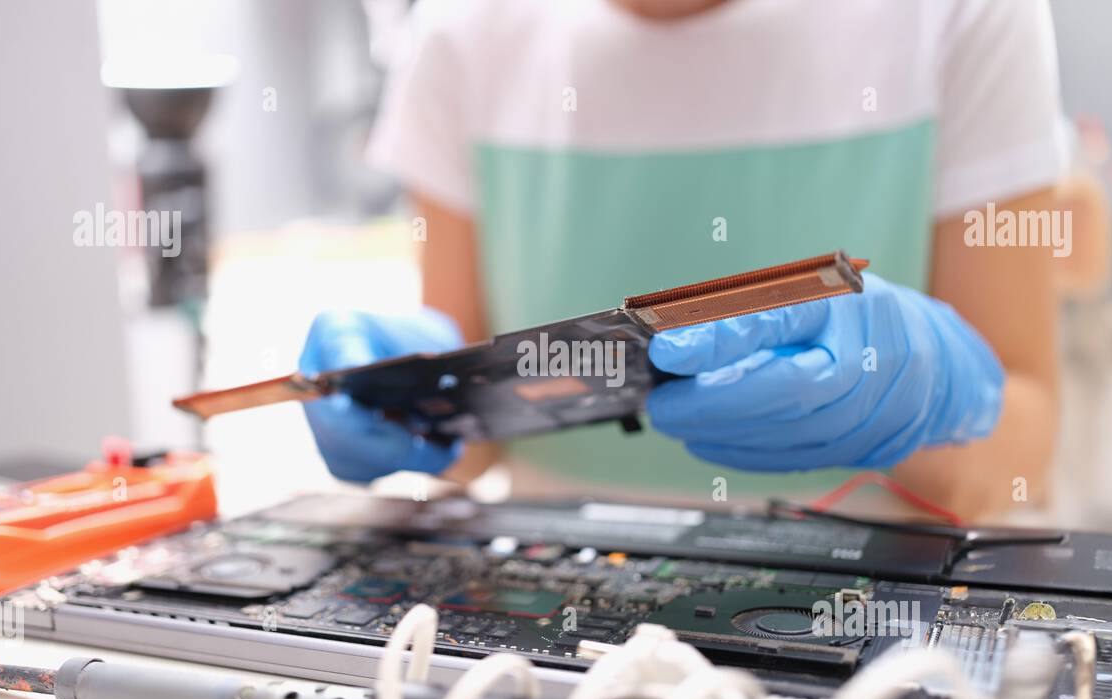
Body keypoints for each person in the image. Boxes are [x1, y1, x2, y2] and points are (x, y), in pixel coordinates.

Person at [301, 0, 1068, 521]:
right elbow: (478, 444)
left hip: (876, 619)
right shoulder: (460, 29)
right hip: (555, 602)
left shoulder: (960, 16)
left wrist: (932, 406)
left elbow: (1020, 448)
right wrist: (407, 397)